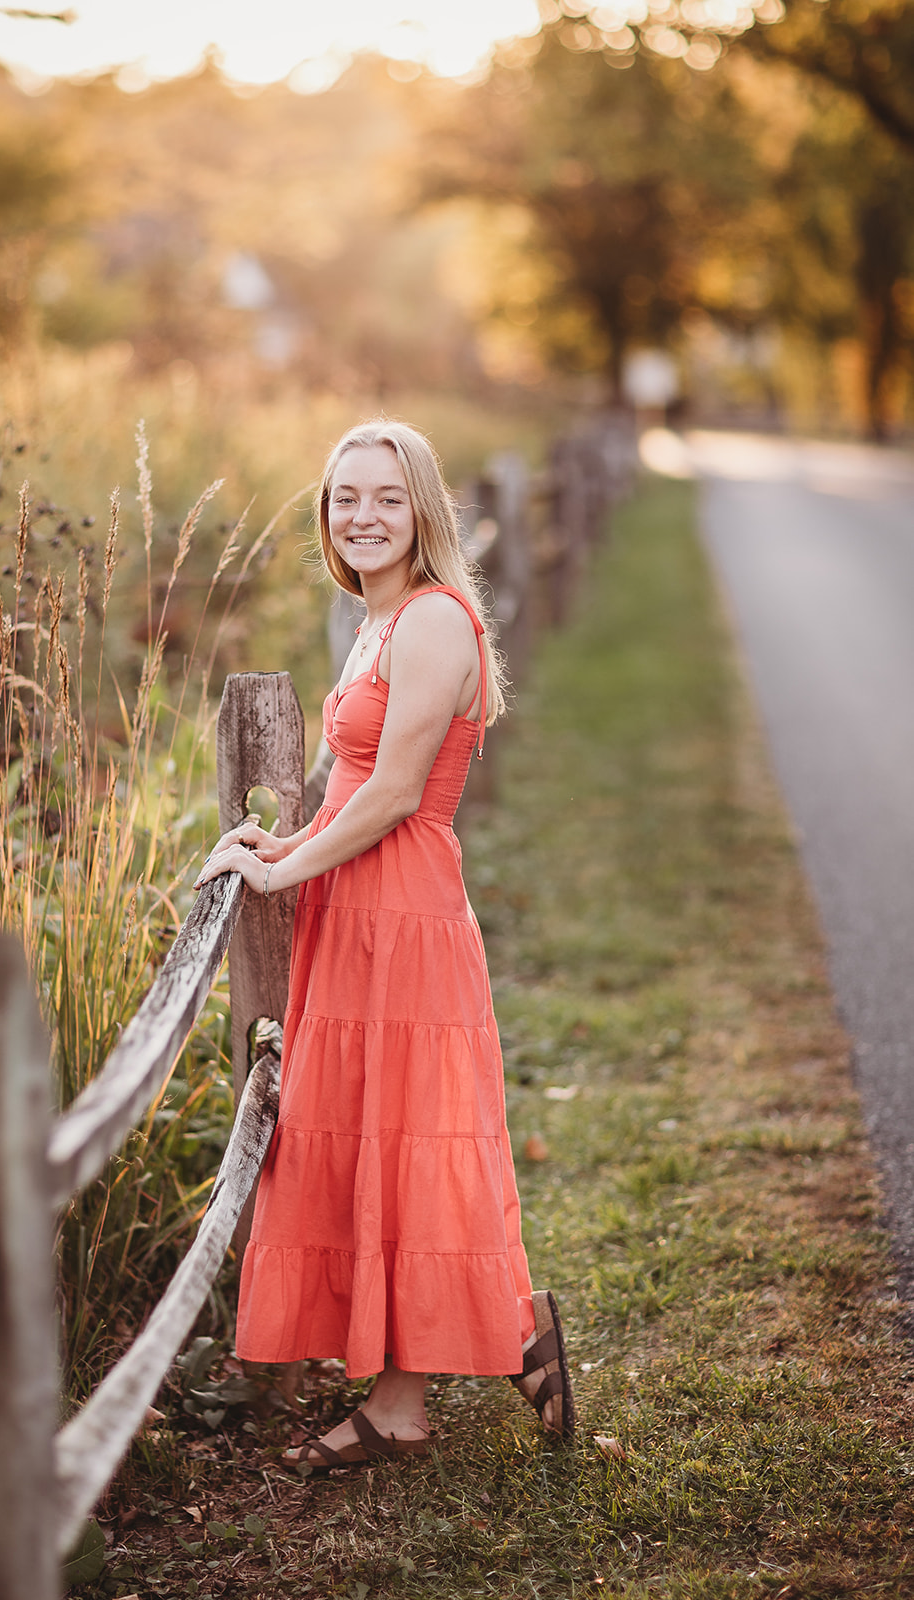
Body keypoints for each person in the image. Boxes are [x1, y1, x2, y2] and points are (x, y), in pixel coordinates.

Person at [195, 419, 573, 1470]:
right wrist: (290, 838)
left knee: (405, 1144)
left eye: (386, 498)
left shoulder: (435, 621)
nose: (362, 516)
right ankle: (505, 1335)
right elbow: (352, 788)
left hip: (401, 916)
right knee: (365, 1134)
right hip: (352, 910)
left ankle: (410, 1400)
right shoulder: (374, 618)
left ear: (423, 512)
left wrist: (279, 871)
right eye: (343, 497)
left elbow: (400, 793)